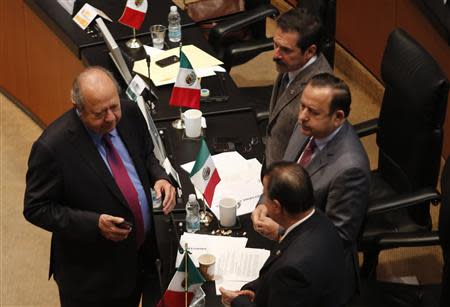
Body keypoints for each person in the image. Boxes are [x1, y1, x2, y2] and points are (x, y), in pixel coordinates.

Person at [23, 67, 176, 307]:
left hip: (138, 260)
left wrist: (160, 177)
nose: (111, 118)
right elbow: (36, 208)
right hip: (92, 278)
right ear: (78, 108)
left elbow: (146, 155)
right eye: (99, 114)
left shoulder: (130, 112)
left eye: (113, 107)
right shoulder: (52, 147)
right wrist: (93, 224)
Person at [253, 73, 370, 304]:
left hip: (313, 270)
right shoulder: (308, 125)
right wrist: (264, 201)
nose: (302, 116)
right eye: (302, 106)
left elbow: (338, 238)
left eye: (313, 111)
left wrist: (281, 231)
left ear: (338, 117)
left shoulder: (350, 169)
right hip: (284, 231)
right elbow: (284, 173)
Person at [221, 161, 345, 307]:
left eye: (264, 194)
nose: (263, 199)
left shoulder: (292, 270)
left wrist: (237, 301)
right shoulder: (318, 217)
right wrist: (256, 290)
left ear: (276, 206)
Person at [265, 7, 332, 167]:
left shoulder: (319, 94)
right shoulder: (292, 63)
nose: (276, 55)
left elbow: (308, 159)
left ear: (310, 51)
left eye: (286, 50)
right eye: (275, 45)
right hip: (270, 161)